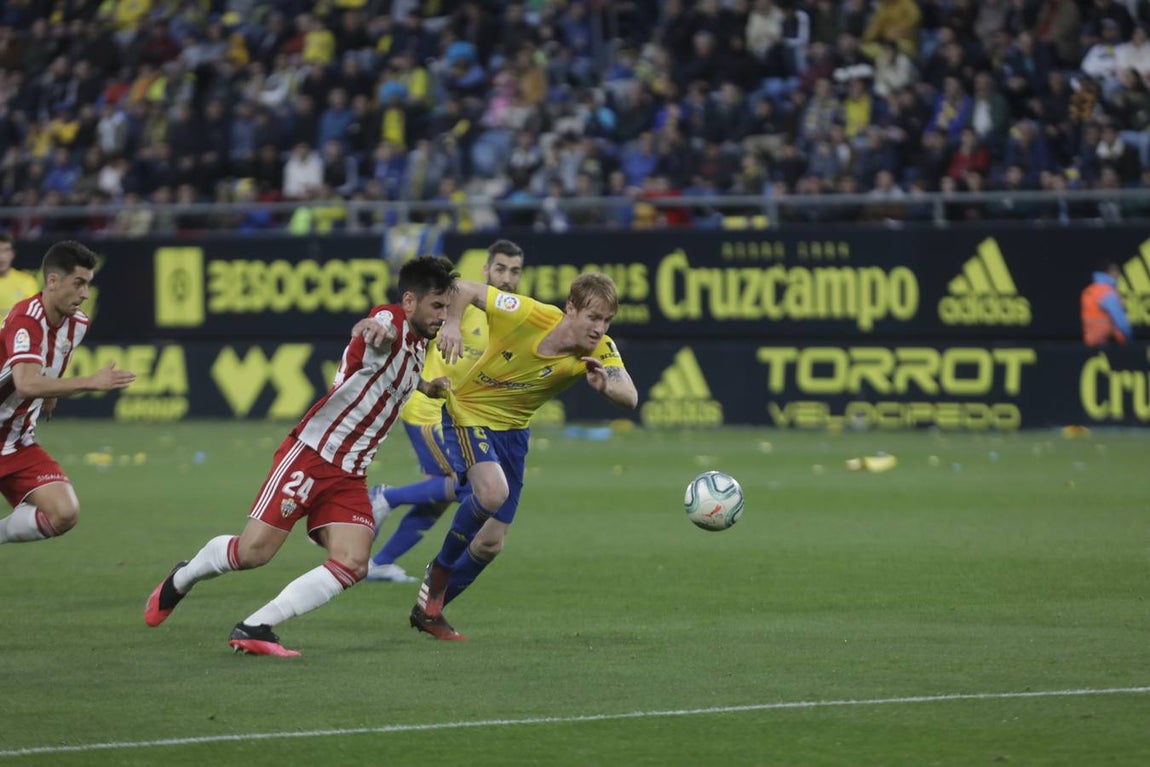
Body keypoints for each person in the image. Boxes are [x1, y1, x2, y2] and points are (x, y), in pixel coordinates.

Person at [143, 256, 458, 657]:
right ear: (410, 301)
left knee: (353, 562)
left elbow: (394, 377)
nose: (443, 316)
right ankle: (182, 578)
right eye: (436, 306)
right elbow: (379, 324)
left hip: (350, 474)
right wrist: (371, 325)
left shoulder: (418, 345)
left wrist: (426, 387)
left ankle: (256, 626)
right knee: (253, 553)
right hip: (312, 455)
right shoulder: (393, 322)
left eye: (447, 308)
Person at [407, 271, 639, 640]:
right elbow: (463, 288)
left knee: (490, 543)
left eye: (607, 320)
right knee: (492, 493)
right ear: (570, 308)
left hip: (514, 435)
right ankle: (441, 569)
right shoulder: (526, 314)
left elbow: (630, 395)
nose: (600, 328)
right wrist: (452, 324)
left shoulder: (600, 348)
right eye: (593, 317)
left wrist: (606, 386)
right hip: (469, 413)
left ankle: (428, 610)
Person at [366, 239, 526, 583]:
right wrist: (452, 323)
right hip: (429, 410)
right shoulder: (460, 303)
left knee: (438, 497)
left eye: (515, 271)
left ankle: (380, 562)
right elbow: (430, 311)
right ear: (486, 269)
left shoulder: (511, 316)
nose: (507, 278)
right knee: (464, 486)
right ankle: (385, 497)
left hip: (459, 413)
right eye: (500, 268)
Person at [0, 241, 136, 545]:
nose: (85, 293)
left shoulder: (78, 323)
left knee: (65, 513)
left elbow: (55, 358)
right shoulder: (26, 319)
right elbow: (26, 384)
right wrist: (90, 382)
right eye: (78, 283)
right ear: (52, 281)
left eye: (88, 284)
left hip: (16, 441)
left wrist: (51, 393)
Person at [1081, 260, 1133, 347]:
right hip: (1110, 344)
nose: (1120, 275)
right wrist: (1129, 338)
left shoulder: (1089, 290)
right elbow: (1120, 320)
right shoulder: (1107, 292)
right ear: (1111, 272)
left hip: (1091, 343)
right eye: (1117, 271)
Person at [0, 233, 42, 320]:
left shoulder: (27, 282)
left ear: (12, 254)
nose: (1, 256)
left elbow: (34, 315)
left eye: (6, 250)